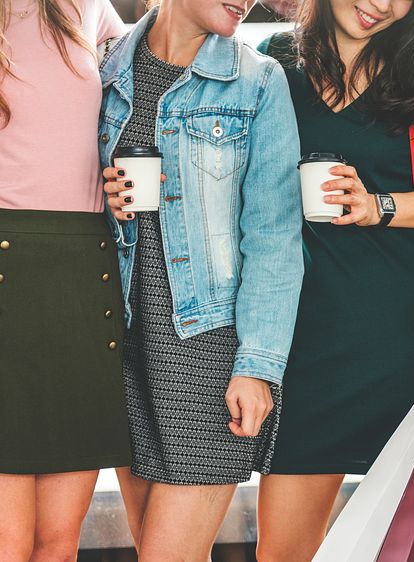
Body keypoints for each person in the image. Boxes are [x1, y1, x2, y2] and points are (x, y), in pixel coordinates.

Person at [253, 0, 414, 558]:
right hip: (303, 341)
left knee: (404, 550)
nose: (385, 5)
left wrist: (380, 206)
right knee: (281, 553)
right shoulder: (275, 61)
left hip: (404, 337)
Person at [98, 0, 303, 557]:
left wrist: (258, 367)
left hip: (211, 354)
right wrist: (104, 196)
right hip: (122, 345)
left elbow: (274, 237)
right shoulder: (107, 66)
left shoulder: (258, 81)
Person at [0, 0, 131, 557]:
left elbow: (147, 90)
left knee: (59, 540)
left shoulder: (89, 7)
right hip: (9, 259)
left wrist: (121, 172)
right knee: (9, 540)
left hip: (82, 266)